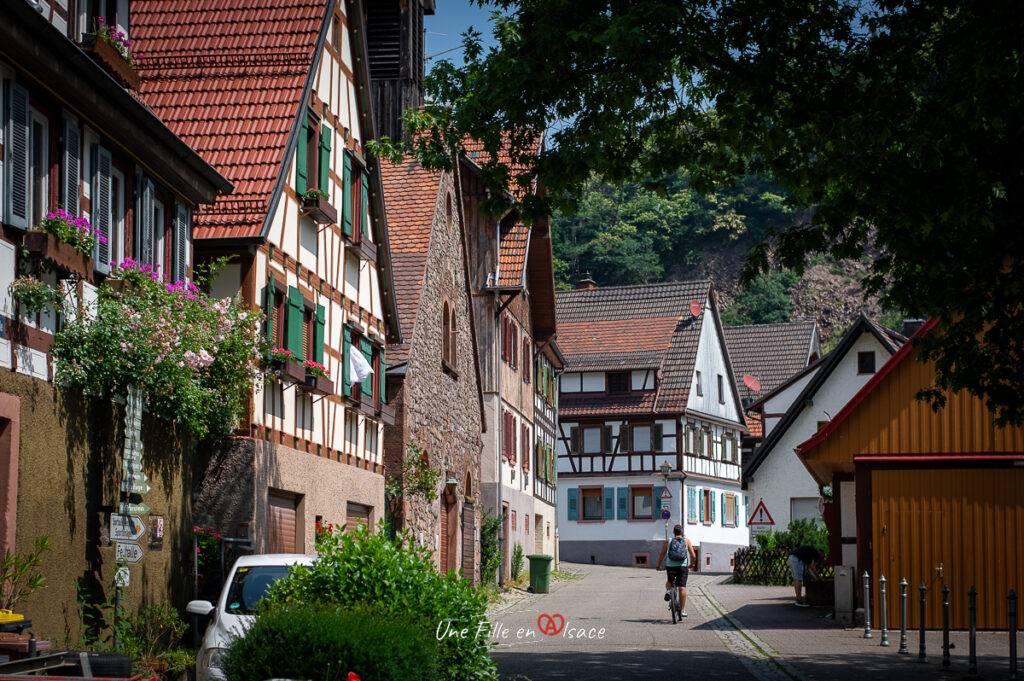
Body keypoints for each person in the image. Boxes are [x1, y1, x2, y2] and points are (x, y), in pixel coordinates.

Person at [655, 524, 695, 617]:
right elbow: (693, 555)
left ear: (673, 532)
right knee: (682, 587)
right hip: (682, 566)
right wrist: (692, 564)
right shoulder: (686, 541)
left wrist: (658, 565)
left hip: (670, 566)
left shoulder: (668, 541)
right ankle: (682, 610)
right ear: (682, 532)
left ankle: (668, 591)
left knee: (670, 580)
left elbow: (662, 554)